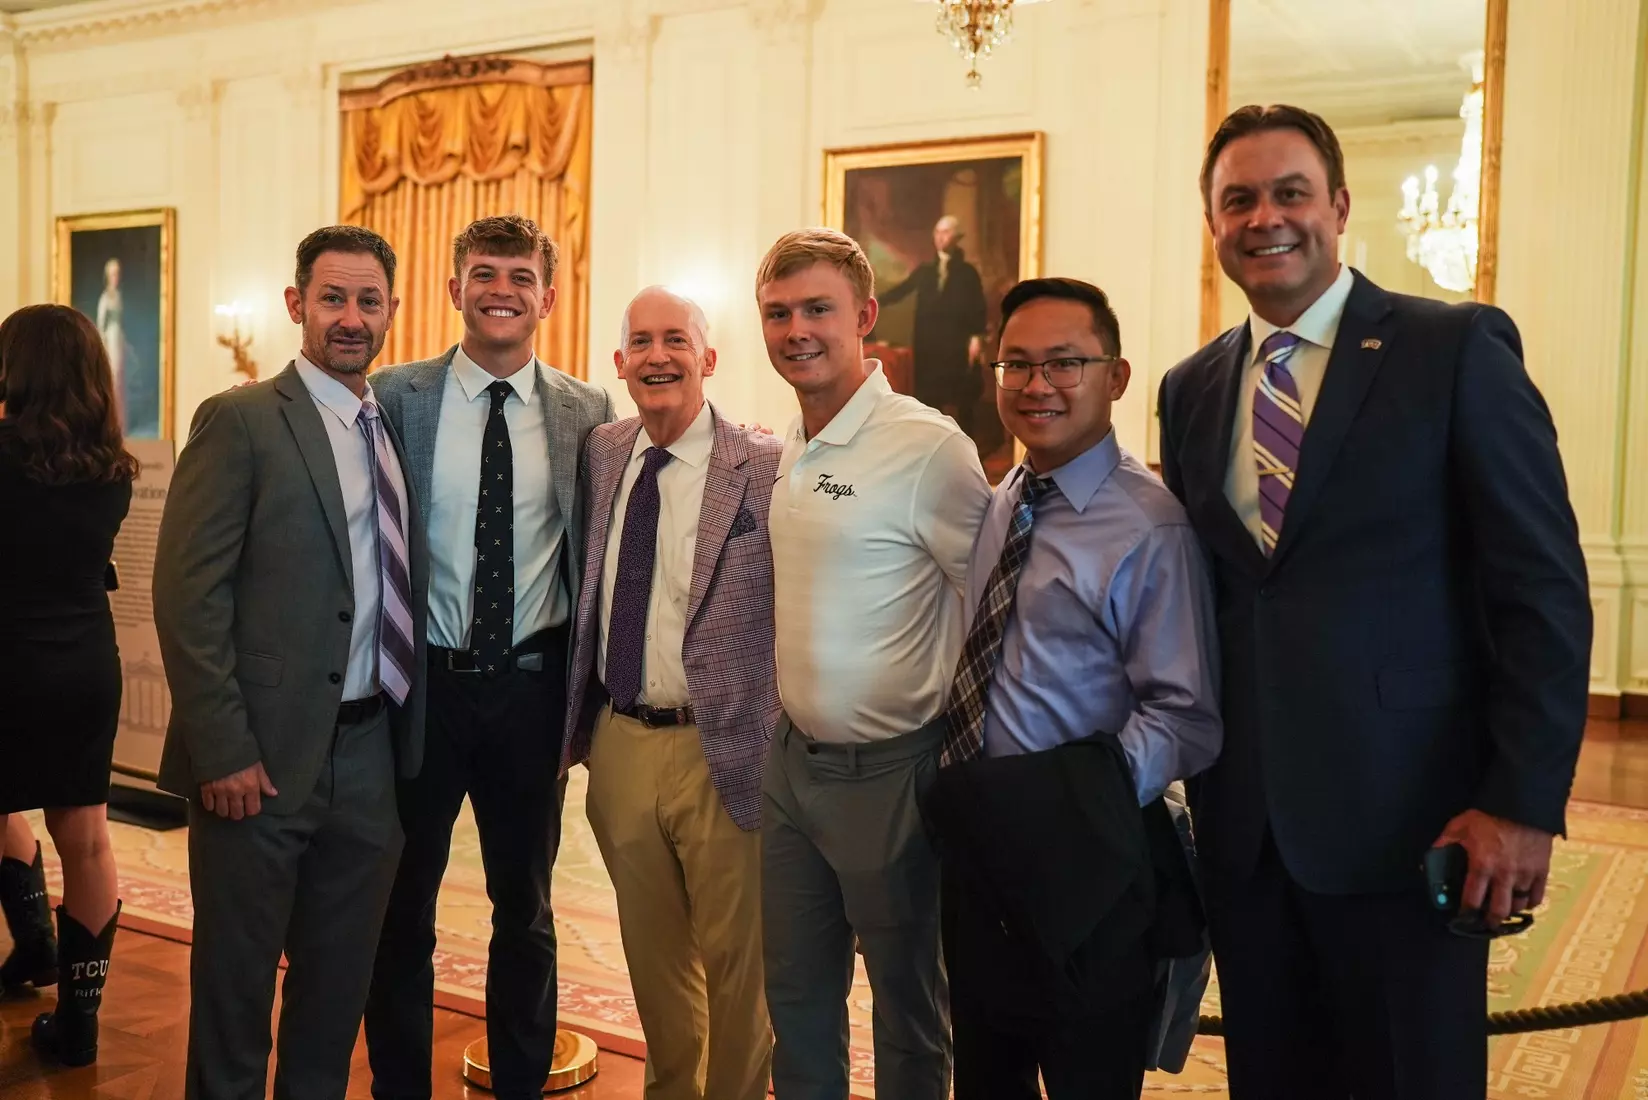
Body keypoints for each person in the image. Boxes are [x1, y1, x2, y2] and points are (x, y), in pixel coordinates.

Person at [1156, 104, 1591, 1099]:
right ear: (1213, 222)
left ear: (1340, 206)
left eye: (1291, 192)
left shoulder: (1453, 348)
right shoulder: (1190, 388)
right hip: (1248, 833)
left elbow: (1540, 589)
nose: (1266, 217)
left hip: (1413, 822)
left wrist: (1520, 801)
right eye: (1239, 199)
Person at [926, 277, 1222, 1099]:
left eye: (1064, 363)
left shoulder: (1151, 526)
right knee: (986, 1075)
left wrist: (1069, 805)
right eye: (1016, 365)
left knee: (1088, 1076)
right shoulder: (1007, 498)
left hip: (1086, 864)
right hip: (984, 847)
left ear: (1115, 377)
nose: (1037, 385)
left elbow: (1188, 716)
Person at [153, 225, 428, 1100]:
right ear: (295, 303)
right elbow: (188, 597)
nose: (351, 317)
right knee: (234, 999)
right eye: (333, 297)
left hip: (370, 757)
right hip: (258, 762)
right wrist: (222, 748)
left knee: (333, 1002)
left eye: (369, 301)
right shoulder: (240, 421)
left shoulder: (391, 427)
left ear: (391, 310)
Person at [365, 214, 614, 1100]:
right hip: (423, 690)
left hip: (532, 695)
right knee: (402, 909)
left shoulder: (589, 412)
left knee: (527, 910)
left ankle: (520, 1084)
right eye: (483, 273)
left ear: (548, 297)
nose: (501, 290)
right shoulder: (395, 397)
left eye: (519, 276)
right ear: (454, 289)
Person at [756, 227, 993, 1100]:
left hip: (894, 774)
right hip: (793, 769)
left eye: (817, 309)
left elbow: (995, 610)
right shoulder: (793, 438)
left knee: (908, 1012)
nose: (796, 331)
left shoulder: (929, 447)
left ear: (865, 316)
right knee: (796, 999)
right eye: (778, 313)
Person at [560, 286, 783, 1100]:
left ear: (708, 358)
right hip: (620, 743)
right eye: (642, 343)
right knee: (654, 962)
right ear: (619, 363)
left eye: (676, 340)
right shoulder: (603, 451)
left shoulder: (764, 464)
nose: (658, 356)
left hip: (724, 746)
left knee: (739, 968)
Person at [0, 302, 136, 1066]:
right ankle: (79, 1022)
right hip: (85, 663)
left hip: (7, 661)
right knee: (85, 836)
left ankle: (34, 943)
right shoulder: (111, 467)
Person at [877, 215, 988, 428]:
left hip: (955, 345)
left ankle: (964, 441)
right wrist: (872, 301)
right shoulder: (925, 271)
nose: (940, 238)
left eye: (946, 233)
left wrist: (976, 338)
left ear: (957, 238)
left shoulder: (968, 273)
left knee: (960, 398)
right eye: (937, 233)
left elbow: (977, 307)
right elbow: (901, 290)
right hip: (928, 345)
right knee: (928, 398)